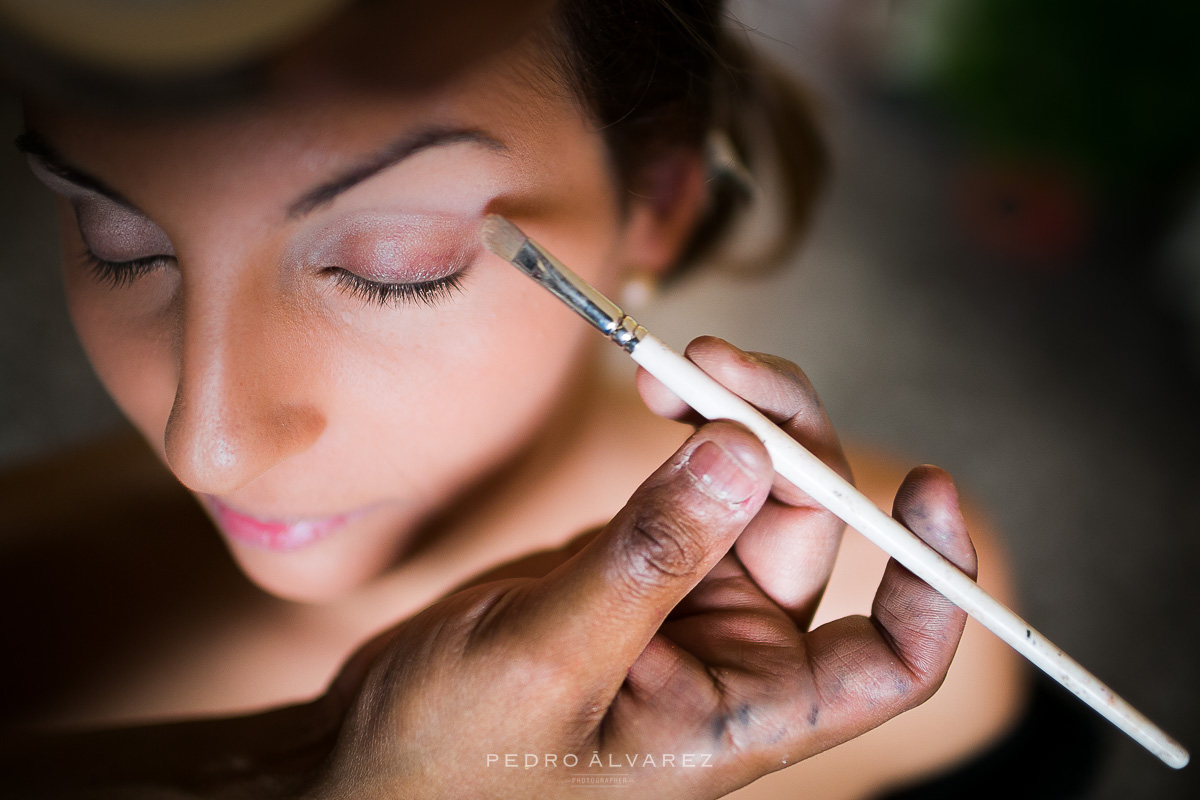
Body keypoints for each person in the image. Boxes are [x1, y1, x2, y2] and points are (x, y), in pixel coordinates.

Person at [0, 0, 1032, 796]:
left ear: (659, 204)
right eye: (116, 239)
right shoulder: (33, 634)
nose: (206, 445)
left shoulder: (894, 627)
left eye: (388, 263)